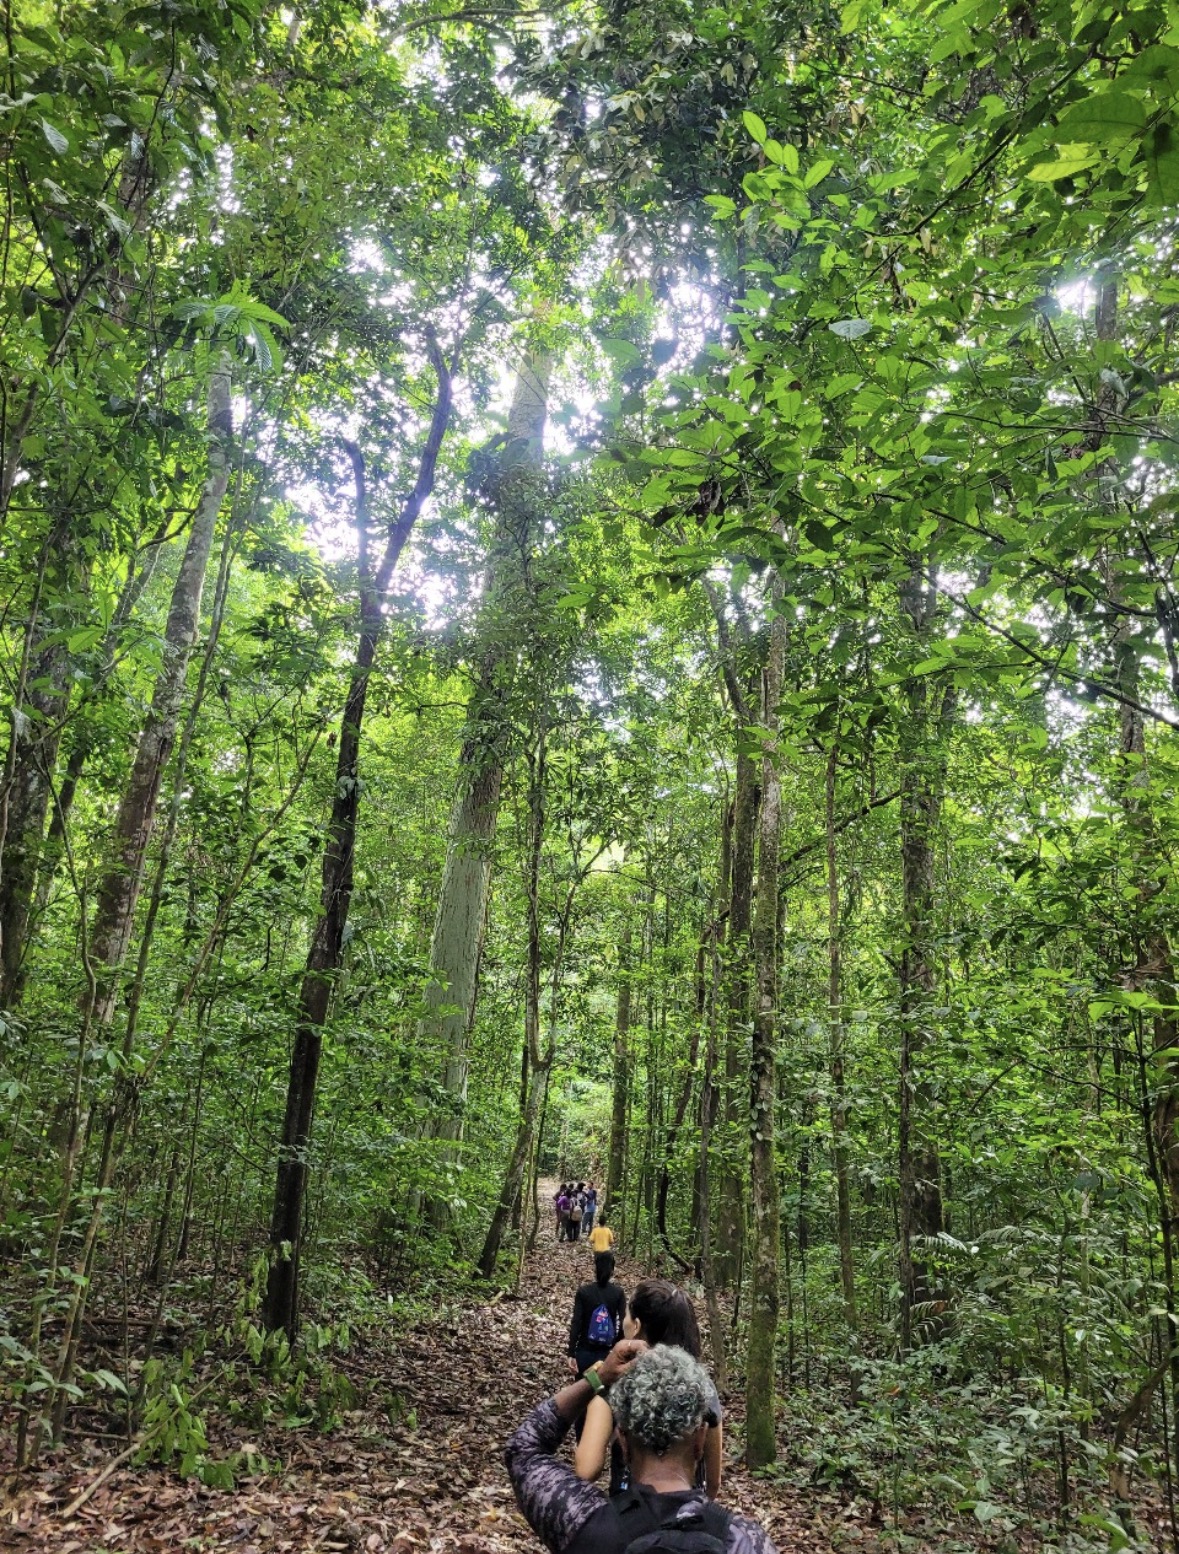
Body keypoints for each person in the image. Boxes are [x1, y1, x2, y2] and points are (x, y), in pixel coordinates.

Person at [506, 1340, 776, 1554]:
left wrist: (598, 1378)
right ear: (700, 1440)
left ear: (623, 1441)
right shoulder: (746, 1541)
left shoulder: (580, 1520)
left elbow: (523, 1449)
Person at [575, 1279, 722, 1499]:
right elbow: (713, 1482)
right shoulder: (702, 1386)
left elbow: (586, 1470)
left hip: (629, 1511)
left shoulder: (614, 1383)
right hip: (689, 1510)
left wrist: (596, 1383)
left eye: (626, 1315)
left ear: (636, 1325)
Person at [567, 1252, 626, 1382]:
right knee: (603, 1390)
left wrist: (571, 1353)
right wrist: (615, 1346)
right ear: (612, 1270)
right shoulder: (618, 1293)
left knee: (581, 1390)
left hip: (584, 1352)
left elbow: (577, 1322)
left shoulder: (584, 1292)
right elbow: (623, 1323)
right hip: (607, 1354)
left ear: (596, 1268)